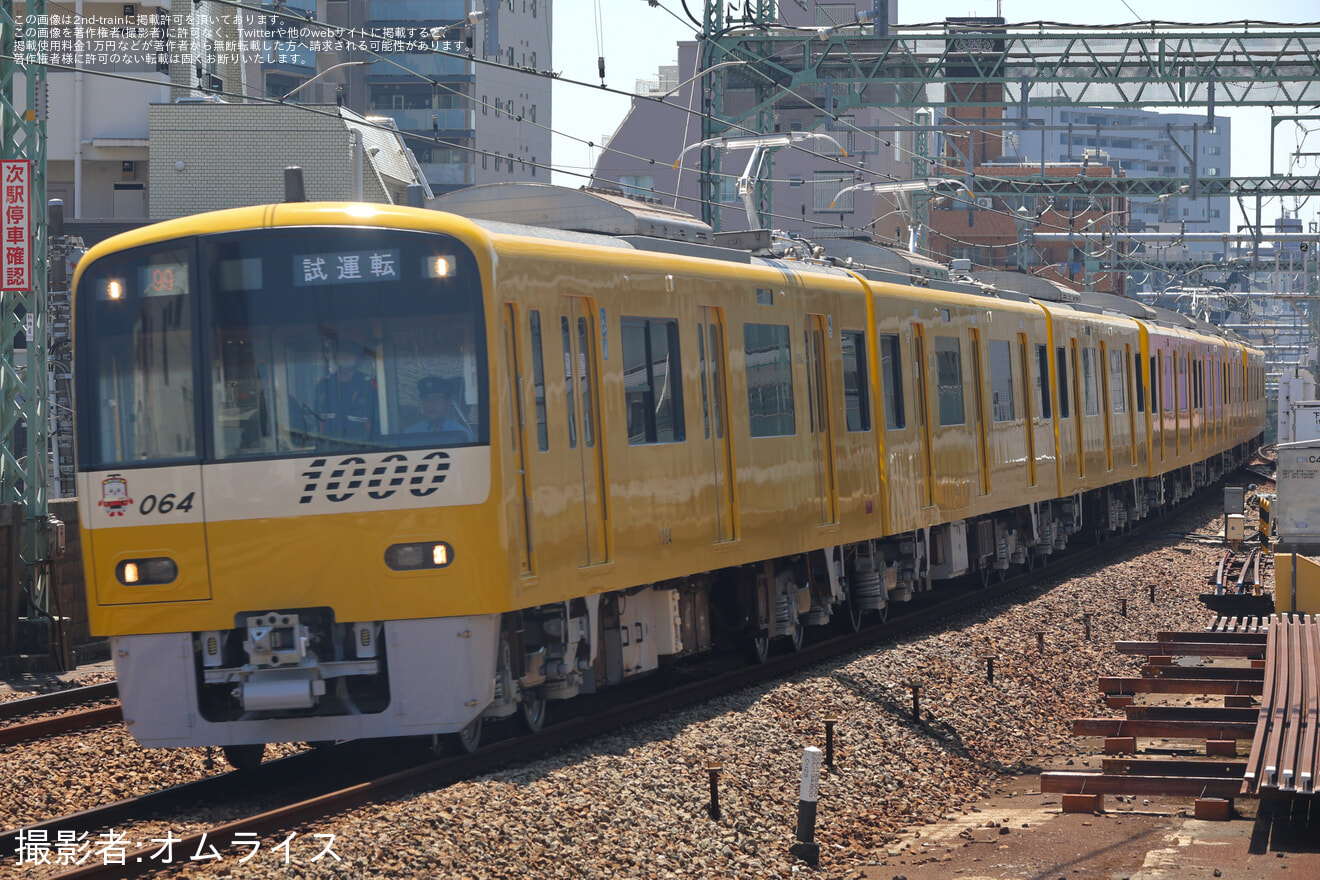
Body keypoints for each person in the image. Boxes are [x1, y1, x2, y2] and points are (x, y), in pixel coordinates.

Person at [313, 334, 378, 444]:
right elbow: (316, 418)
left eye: (350, 354)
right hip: (328, 446)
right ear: (335, 357)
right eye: (341, 354)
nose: (345, 357)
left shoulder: (369, 384)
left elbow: (378, 422)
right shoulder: (323, 384)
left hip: (363, 446)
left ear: (358, 359)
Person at [406, 376, 475, 441]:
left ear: (448, 402)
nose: (430, 404)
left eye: (436, 397)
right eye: (426, 398)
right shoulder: (411, 433)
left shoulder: (461, 433)